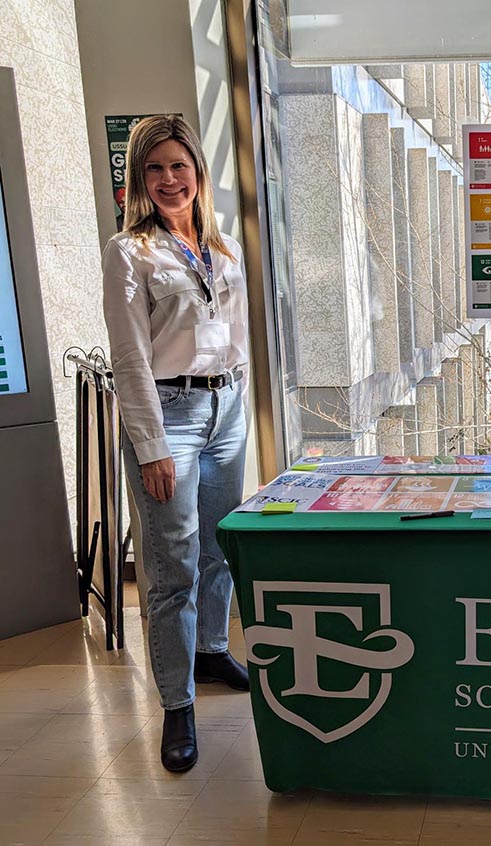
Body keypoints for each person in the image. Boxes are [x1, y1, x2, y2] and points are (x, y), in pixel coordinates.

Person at [102, 114, 250, 773]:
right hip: (171, 413)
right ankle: (176, 703)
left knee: (218, 547)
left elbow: (236, 334)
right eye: (155, 168)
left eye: (178, 165)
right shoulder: (130, 251)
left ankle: (211, 649)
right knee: (171, 568)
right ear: (140, 178)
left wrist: (239, 398)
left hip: (229, 408)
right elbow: (129, 359)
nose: (169, 178)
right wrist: (151, 445)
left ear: (198, 171)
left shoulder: (222, 249)